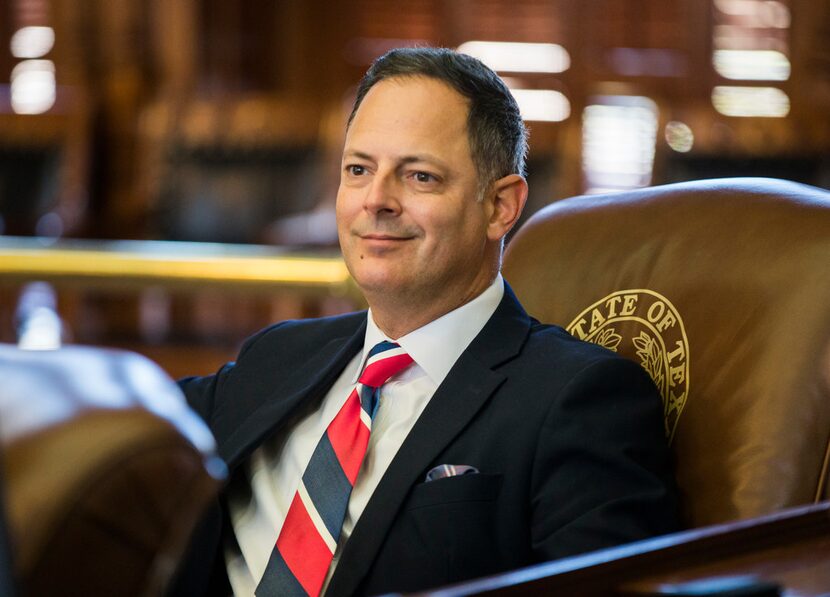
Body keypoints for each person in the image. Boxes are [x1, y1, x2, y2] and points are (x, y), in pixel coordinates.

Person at [171, 47, 679, 597]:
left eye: (420, 177)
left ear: (500, 206)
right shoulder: (277, 357)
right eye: (358, 170)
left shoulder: (580, 397)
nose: (376, 201)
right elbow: (115, 421)